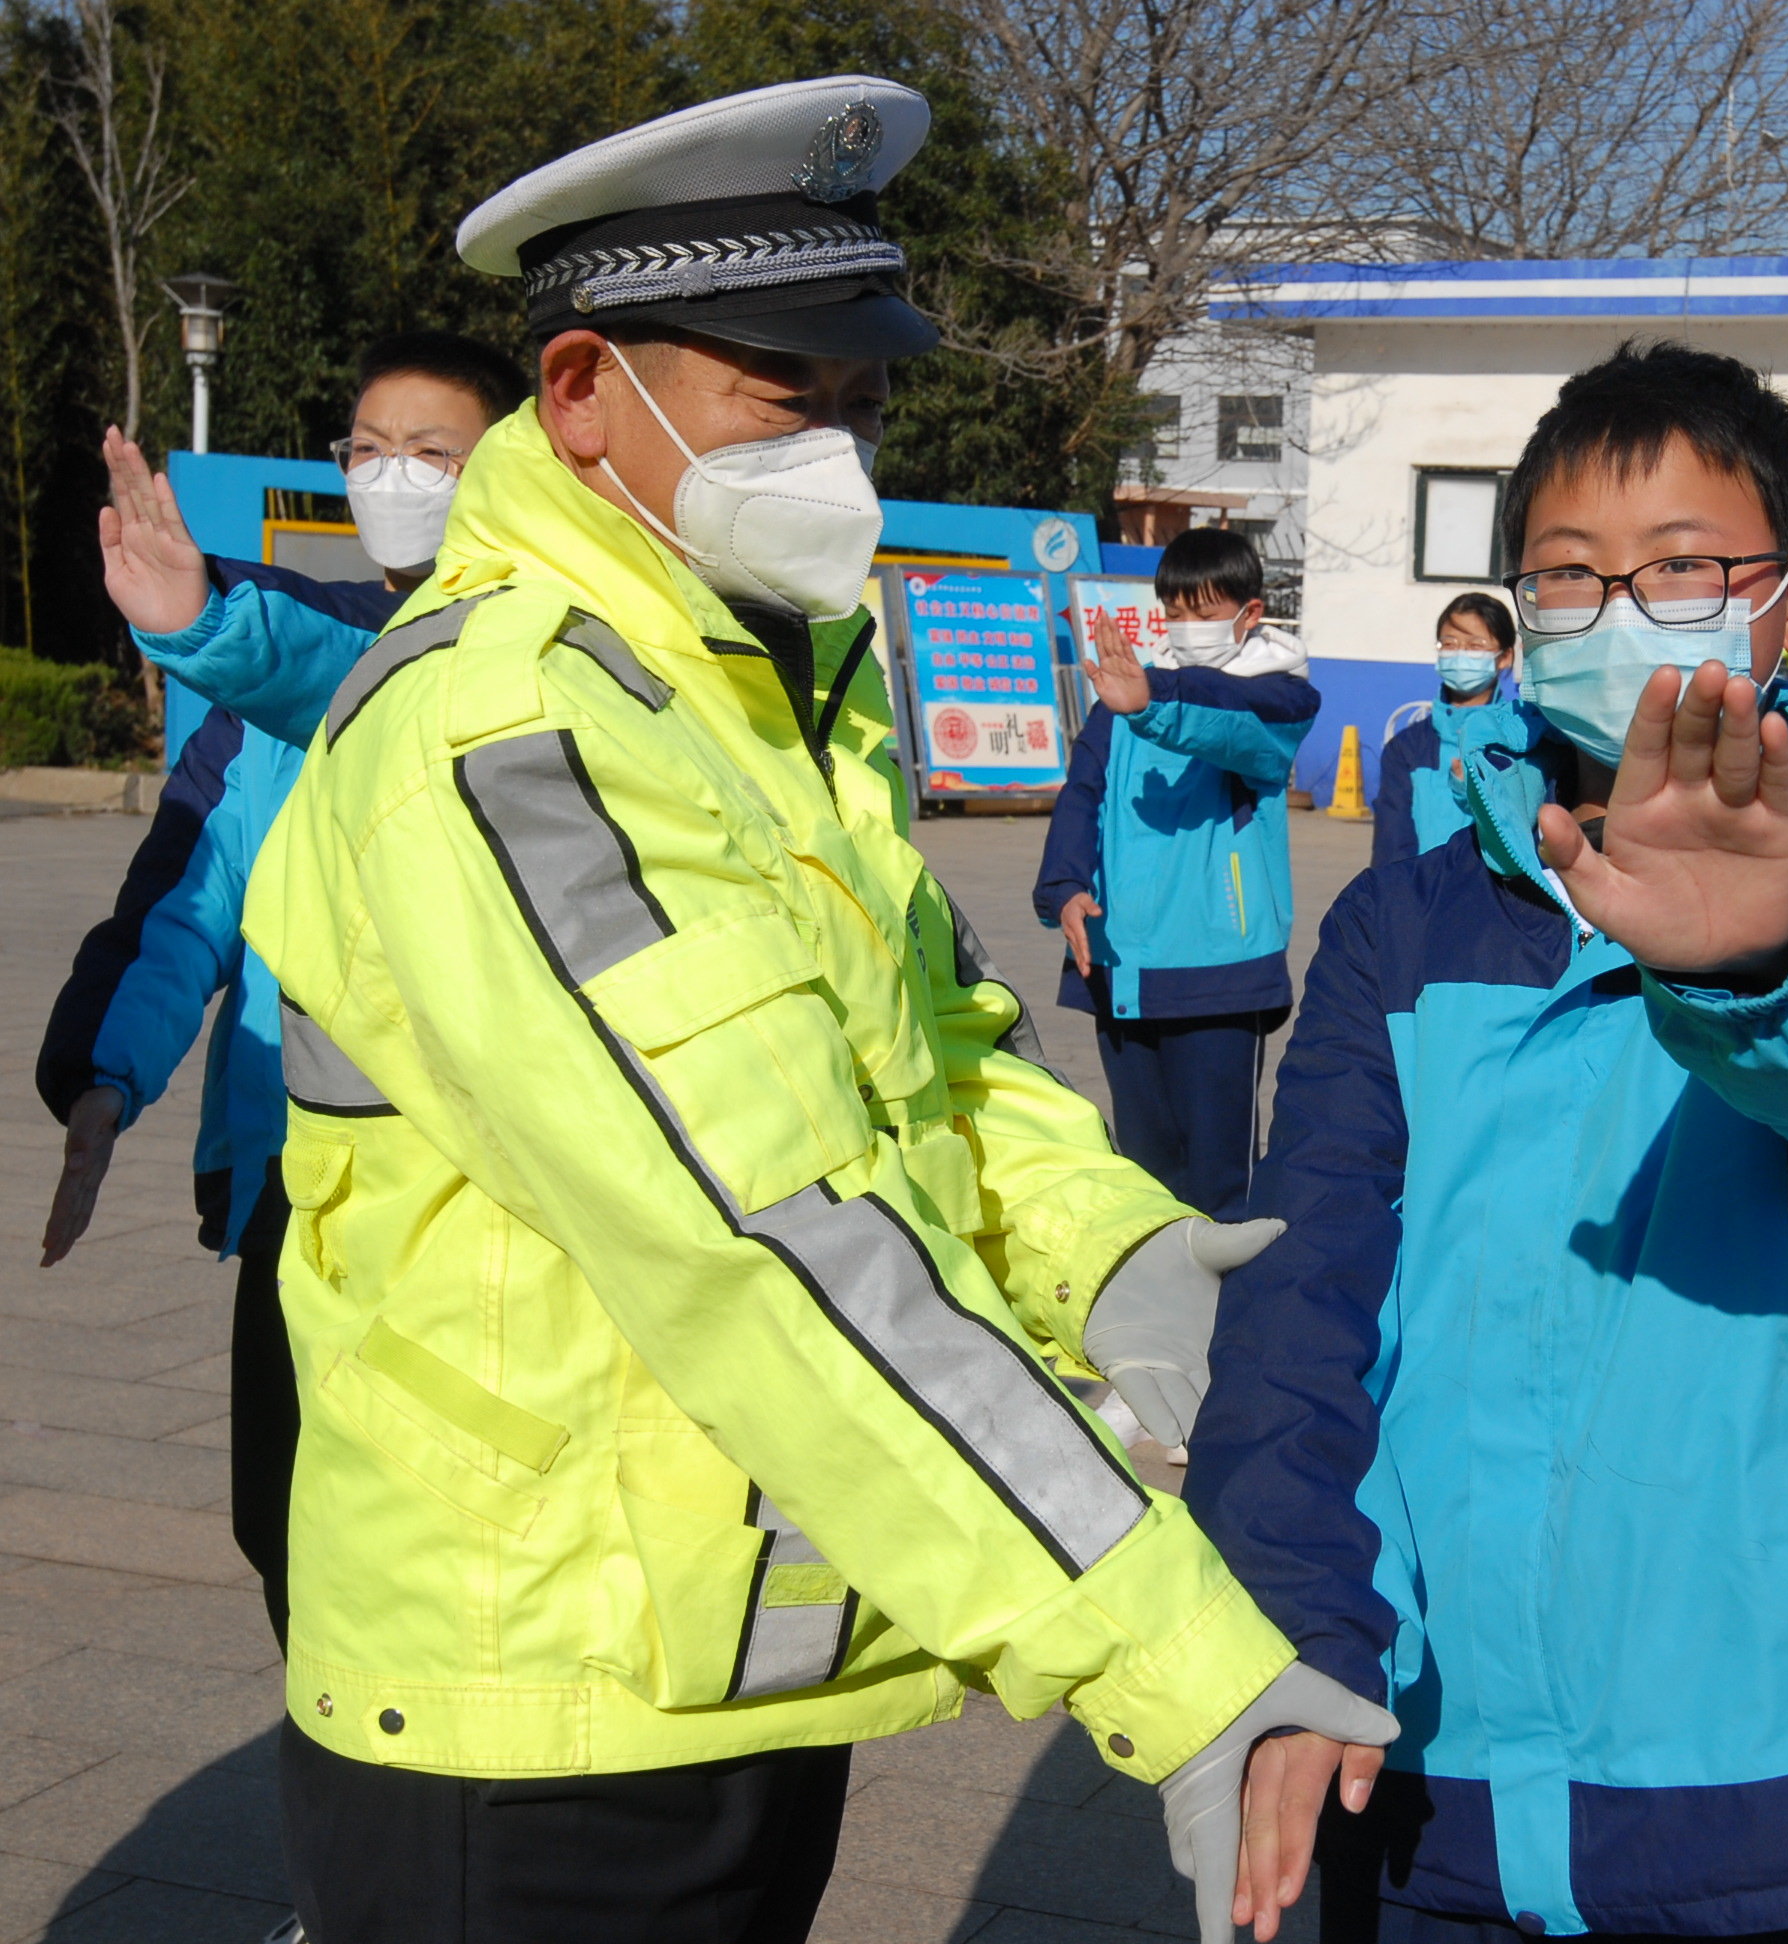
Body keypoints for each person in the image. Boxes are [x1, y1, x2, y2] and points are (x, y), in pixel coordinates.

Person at [236, 77, 1388, 1943]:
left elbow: (932, 1042)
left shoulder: (757, 684)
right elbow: (767, 1234)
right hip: (530, 1711)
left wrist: (1115, 1252)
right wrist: (1165, 1649)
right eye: (788, 402)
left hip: (725, 1642)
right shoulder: (511, 738)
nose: (840, 456)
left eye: (860, 402)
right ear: (587, 392)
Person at [1186, 342, 1788, 1944]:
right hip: (1418, 1763)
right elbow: (1300, 1300)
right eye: (1570, 576)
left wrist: (1758, 955)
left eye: (1680, 568)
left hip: (1760, 1784)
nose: (1621, 611)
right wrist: (1296, 1618)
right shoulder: (1406, 921)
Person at [36, 331, 526, 1658]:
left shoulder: (538, 669)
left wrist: (213, 620)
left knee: (460, 1547)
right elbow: (182, 911)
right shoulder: (259, 690)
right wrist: (103, 1077)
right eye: (367, 450)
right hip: (291, 1189)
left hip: (485, 1202)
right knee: (287, 1525)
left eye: (431, 452)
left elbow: (359, 673)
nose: (392, 476)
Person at [1034, 525, 1320, 1221]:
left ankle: (1230, 1318)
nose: (1188, 628)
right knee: (1144, 1168)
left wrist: (1154, 700)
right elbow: (1083, 795)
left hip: (1217, 974)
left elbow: (1223, 718)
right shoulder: (1122, 699)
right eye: (1177, 613)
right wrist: (1066, 889)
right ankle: (1160, 1313)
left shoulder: (1274, 699)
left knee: (1218, 1176)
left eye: (1206, 611)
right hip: (1118, 965)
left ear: (1251, 615)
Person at [1369, 591, 1517, 866]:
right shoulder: (1406, 748)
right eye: (1450, 644)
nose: (1460, 654)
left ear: (1505, 656)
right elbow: (1391, 846)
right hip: (1420, 900)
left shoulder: (1520, 742)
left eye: (1475, 645)